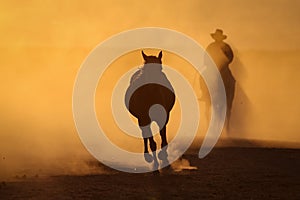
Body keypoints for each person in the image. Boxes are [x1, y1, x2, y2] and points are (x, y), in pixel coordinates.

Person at [203, 29, 236, 132]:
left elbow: (231, 58)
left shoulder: (226, 47)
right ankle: (205, 93)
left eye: (219, 37)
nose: (218, 39)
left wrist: (224, 61)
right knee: (203, 78)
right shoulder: (211, 47)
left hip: (223, 68)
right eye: (216, 37)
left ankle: (229, 96)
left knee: (231, 80)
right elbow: (205, 58)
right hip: (213, 68)